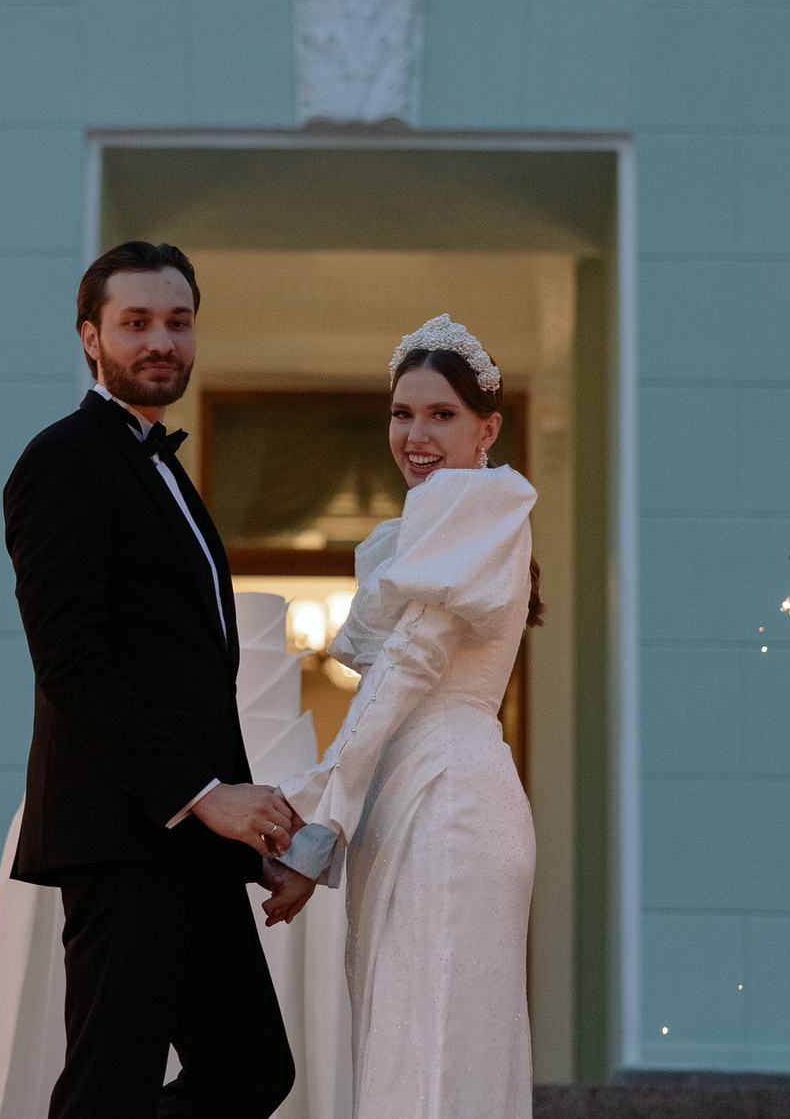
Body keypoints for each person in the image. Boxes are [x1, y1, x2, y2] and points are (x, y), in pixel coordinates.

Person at [3, 242, 300, 1119]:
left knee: (249, 1069)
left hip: (193, 837)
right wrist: (204, 794)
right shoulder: (64, 458)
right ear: (91, 337)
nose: (160, 339)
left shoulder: (159, 464)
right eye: (135, 323)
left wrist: (250, 830)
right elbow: (69, 661)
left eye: (177, 321)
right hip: (126, 830)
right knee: (109, 1085)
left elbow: (189, 676)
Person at [256, 316, 538, 1119]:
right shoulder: (419, 529)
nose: (416, 434)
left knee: (439, 1053)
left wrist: (315, 830)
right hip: (403, 795)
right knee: (401, 1046)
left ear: (487, 427)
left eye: (441, 414)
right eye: (401, 413)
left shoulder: (481, 507)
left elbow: (406, 670)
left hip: (451, 800)